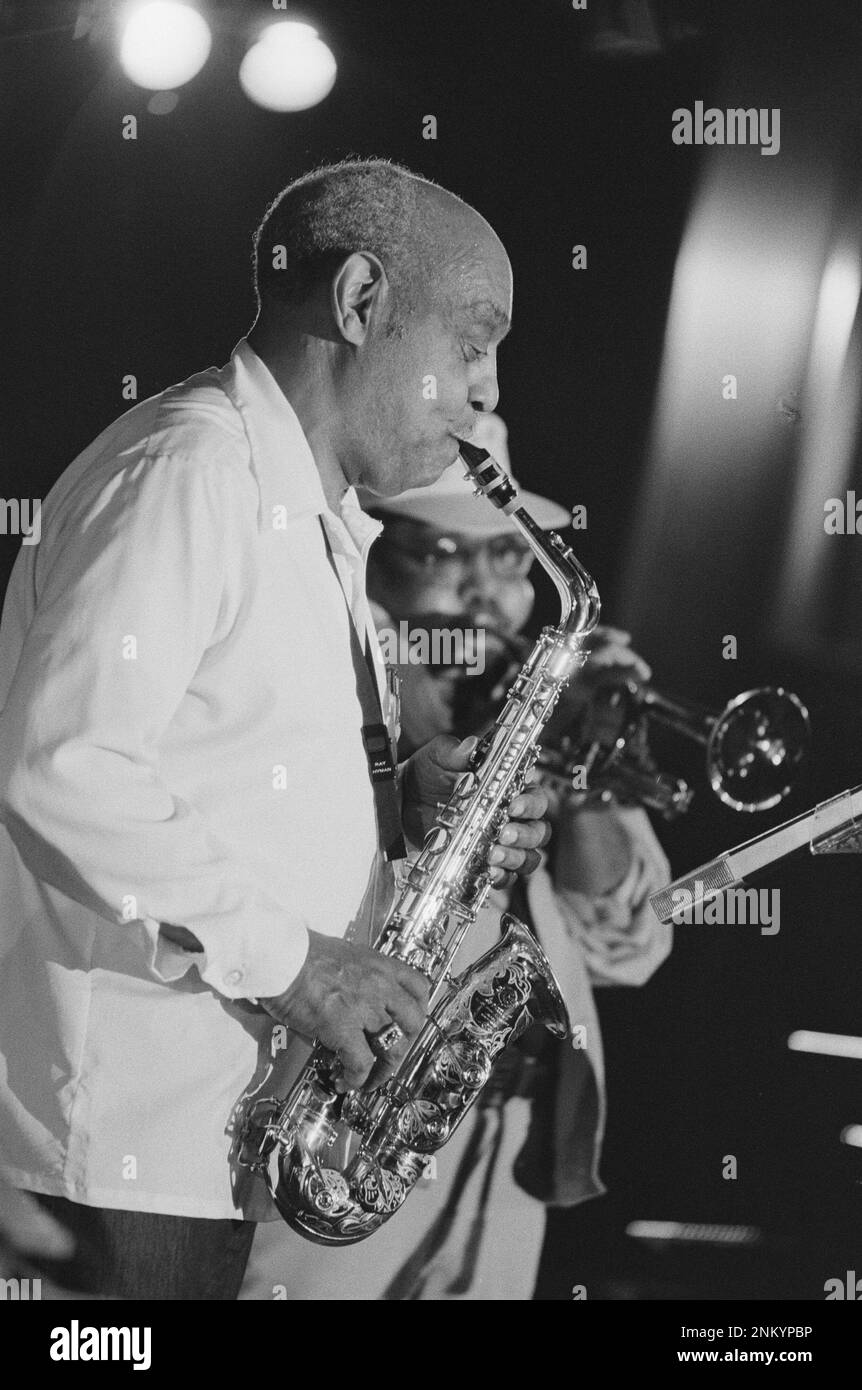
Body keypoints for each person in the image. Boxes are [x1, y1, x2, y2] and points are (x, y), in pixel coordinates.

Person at [0, 159, 551, 1300]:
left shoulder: (320, 514)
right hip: (121, 1150)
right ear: (357, 301)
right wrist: (303, 971)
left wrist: (413, 795)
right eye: (475, 338)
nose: (488, 390)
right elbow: (64, 768)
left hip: (204, 1144)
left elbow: (231, 767)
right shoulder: (190, 470)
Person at [240, 412, 672, 1300]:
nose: (485, 590)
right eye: (446, 553)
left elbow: (628, 943)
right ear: (372, 552)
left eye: (509, 558)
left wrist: (587, 768)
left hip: (496, 1154)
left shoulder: (536, 693)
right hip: (340, 1128)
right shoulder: (329, 669)